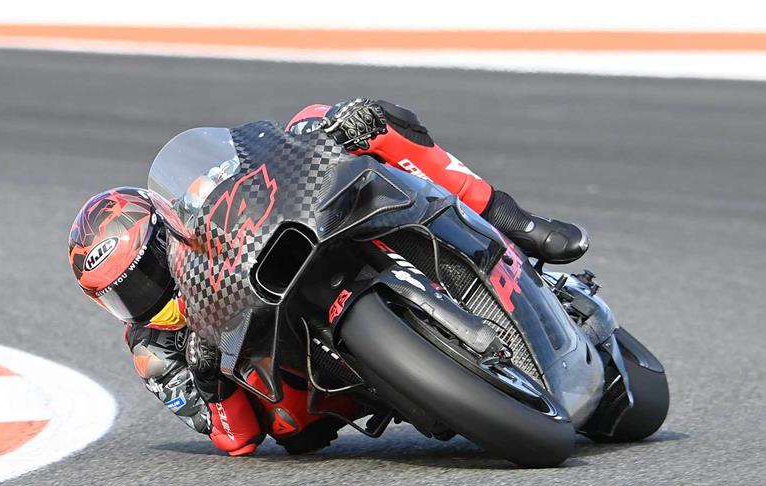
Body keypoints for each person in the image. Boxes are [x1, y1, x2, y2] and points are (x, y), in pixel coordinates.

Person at [68, 98, 590, 457]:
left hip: (281, 255)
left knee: (334, 118)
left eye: (150, 271)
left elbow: (260, 161)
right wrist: (208, 380)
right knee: (286, 427)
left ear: (168, 232)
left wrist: (327, 133)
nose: (151, 295)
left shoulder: (199, 198)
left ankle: (510, 221)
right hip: (303, 396)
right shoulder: (154, 352)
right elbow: (234, 440)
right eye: (126, 296)